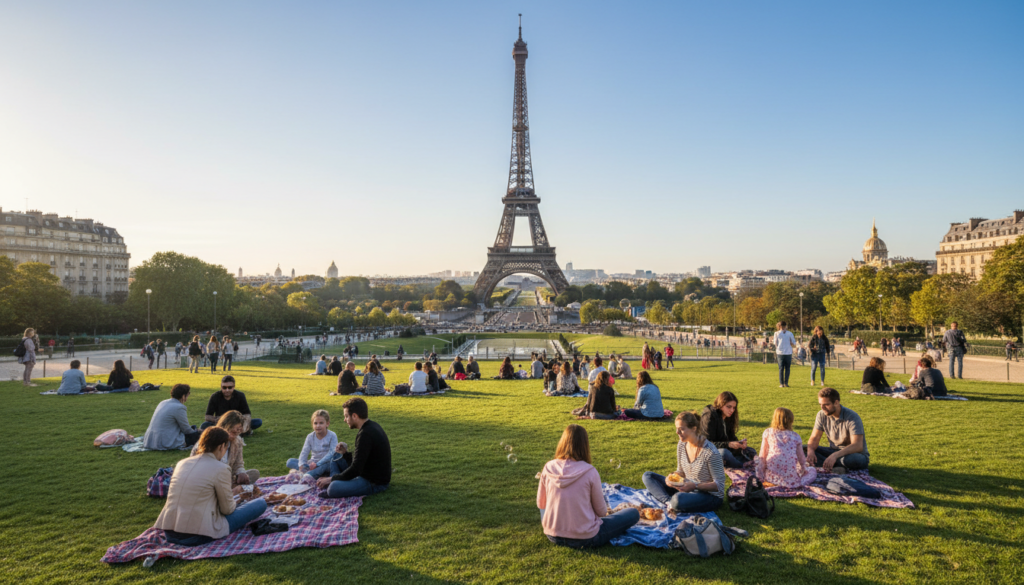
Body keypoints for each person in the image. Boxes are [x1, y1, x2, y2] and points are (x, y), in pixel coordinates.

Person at [153, 427, 267, 547]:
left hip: (169, 532)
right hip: (197, 535)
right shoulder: (221, 468)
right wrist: (237, 499)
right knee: (260, 504)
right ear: (221, 446)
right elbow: (227, 510)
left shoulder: (182, 463)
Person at [537, 424, 640, 549]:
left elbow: (541, 504)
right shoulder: (589, 471)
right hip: (585, 538)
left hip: (552, 534)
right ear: (585, 445)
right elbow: (602, 512)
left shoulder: (548, 467)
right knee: (633, 513)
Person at [641, 411, 726, 513]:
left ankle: (673, 502)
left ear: (694, 428)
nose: (677, 432)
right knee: (648, 476)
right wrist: (672, 477)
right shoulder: (682, 444)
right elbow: (680, 471)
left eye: (681, 429)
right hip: (686, 487)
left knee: (678, 499)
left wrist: (695, 485)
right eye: (677, 429)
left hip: (709, 495)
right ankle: (668, 503)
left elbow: (719, 486)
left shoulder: (710, 452)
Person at [316, 397, 392, 498]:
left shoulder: (365, 434)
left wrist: (332, 479)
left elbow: (356, 469)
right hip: (366, 471)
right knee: (335, 458)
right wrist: (345, 454)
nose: (345, 420)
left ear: (355, 416)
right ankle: (337, 479)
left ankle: (334, 481)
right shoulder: (371, 426)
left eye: (346, 416)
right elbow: (360, 462)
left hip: (373, 482)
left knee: (333, 488)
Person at [806, 387, 869, 472]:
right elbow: (814, 437)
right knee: (803, 449)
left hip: (852, 454)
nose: (822, 408)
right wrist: (810, 451)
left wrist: (835, 456)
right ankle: (835, 467)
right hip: (833, 451)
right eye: (820, 404)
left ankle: (827, 464)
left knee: (853, 460)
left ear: (836, 402)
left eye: (826, 405)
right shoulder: (821, 415)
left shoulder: (852, 417)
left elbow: (857, 446)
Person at [191, 410, 259, 486]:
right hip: (206, 480)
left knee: (253, 474)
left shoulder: (237, 441)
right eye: (233, 432)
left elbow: (238, 463)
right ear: (225, 427)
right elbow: (201, 469)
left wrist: (241, 473)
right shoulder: (210, 440)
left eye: (238, 432)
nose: (235, 435)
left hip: (226, 478)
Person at [756, 408, 816, 488]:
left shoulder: (768, 432)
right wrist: (805, 468)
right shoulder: (795, 436)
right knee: (812, 471)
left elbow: (762, 456)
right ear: (790, 421)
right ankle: (800, 481)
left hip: (771, 478)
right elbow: (801, 459)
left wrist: (760, 475)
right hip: (791, 481)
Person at [698, 391, 752, 468]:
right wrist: (728, 444)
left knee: (750, 451)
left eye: (734, 407)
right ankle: (743, 466)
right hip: (708, 453)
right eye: (728, 407)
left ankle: (741, 462)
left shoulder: (728, 417)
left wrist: (739, 444)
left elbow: (731, 436)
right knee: (724, 453)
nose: (732, 410)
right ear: (720, 404)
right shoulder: (710, 417)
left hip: (725, 449)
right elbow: (707, 444)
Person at [143, 384, 201, 450]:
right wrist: (197, 432)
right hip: (165, 442)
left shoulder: (163, 402)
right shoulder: (179, 407)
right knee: (199, 436)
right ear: (183, 396)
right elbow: (186, 429)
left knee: (195, 430)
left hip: (150, 441)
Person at [287, 409, 339, 477]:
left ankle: (308, 474)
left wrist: (317, 464)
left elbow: (332, 454)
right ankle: (307, 472)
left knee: (326, 466)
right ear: (312, 424)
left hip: (326, 463)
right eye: (315, 423)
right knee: (290, 462)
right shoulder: (310, 437)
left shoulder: (332, 435)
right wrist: (301, 465)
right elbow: (304, 452)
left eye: (321, 423)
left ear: (327, 423)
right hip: (312, 464)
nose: (318, 426)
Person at [773, 321, 797, 388]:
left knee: (787, 368)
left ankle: (786, 383)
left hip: (788, 353)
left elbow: (794, 343)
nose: (783, 327)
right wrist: (778, 349)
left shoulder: (789, 333)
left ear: (786, 326)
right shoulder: (777, 333)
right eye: (782, 326)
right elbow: (775, 343)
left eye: (784, 326)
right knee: (781, 368)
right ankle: (781, 383)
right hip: (780, 353)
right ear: (779, 326)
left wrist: (792, 343)